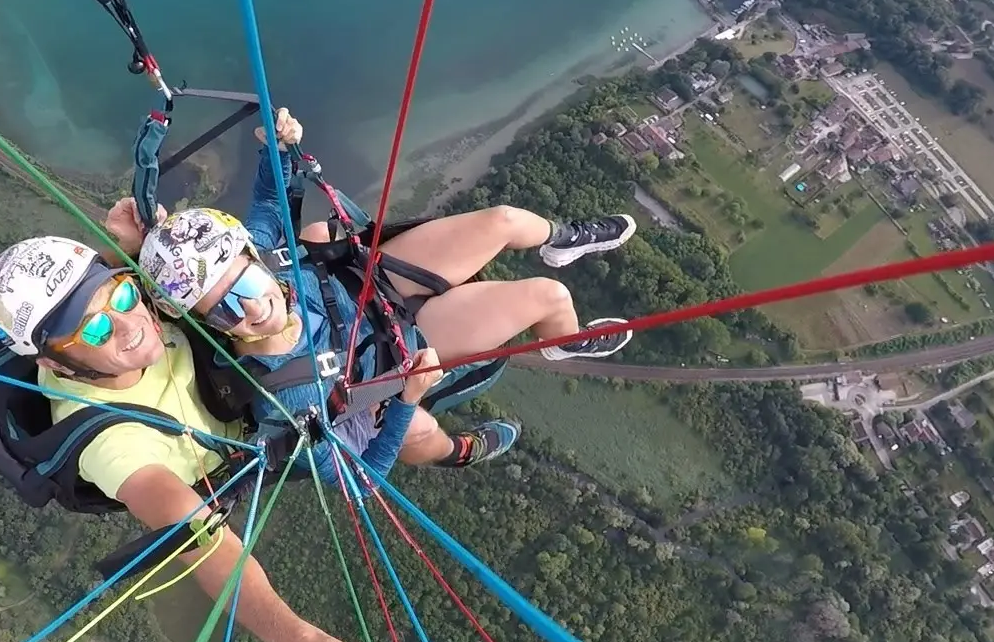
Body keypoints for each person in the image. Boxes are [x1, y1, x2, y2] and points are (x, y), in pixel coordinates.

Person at [0, 234, 387, 642]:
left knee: (319, 236)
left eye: (124, 296)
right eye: (94, 331)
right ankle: (453, 450)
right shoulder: (109, 444)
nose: (129, 326)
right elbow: (201, 539)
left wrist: (142, 241)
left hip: (256, 374)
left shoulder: (131, 310)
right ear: (50, 362)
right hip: (264, 437)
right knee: (414, 426)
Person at [112, 106, 638, 478]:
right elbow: (361, 479)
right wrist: (406, 401)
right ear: (206, 322)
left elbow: (271, 206)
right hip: (392, 358)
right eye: (225, 307)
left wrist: (282, 152)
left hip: (370, 284)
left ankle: (561, 241)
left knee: (501, 221)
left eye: (246, 282)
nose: (252, 306)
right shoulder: (288, 404)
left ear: (251, 257)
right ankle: (459, 450)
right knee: (545, 300)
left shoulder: (260, 253)